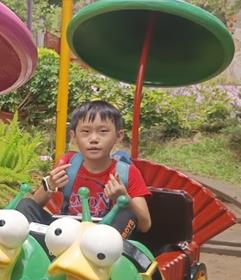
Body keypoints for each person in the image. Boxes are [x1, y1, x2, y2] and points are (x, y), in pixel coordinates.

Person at [16, 100, 151, 238]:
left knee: (127, 215)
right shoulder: (68, 163)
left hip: (104, 240)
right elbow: (35, 203)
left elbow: (145, 225)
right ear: (74, 136)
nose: (94, 139)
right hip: (65, 235)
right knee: (25, 205)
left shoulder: (127, 173)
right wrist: (50, 184)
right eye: (86, 132)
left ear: (119, 136)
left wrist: (123, 198)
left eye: (103, 131)